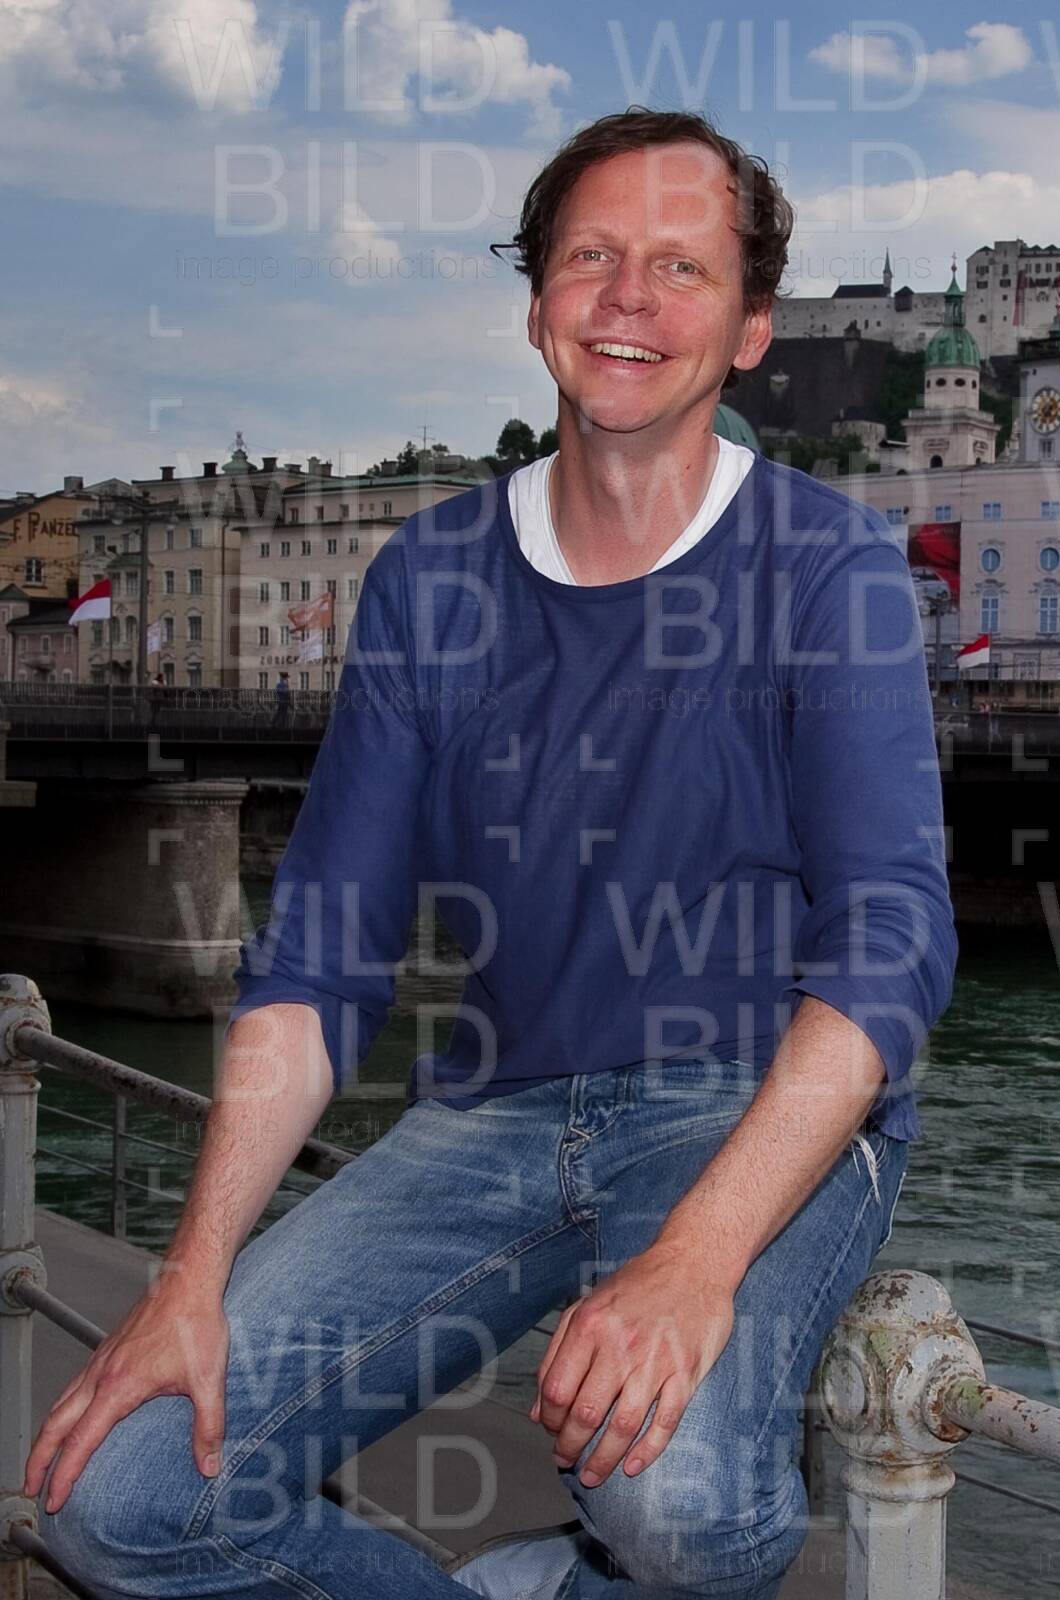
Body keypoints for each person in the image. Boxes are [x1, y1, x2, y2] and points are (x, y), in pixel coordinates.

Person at [23, 109, 958, 1599]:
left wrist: (695, 1259)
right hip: (497, 1110)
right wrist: (186, 1280)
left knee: (669, 1499)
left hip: (754, 1101)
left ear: (752, 328)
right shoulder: (431, 576)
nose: (629, 298)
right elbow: (319, 959)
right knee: (114, 1496)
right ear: (537, 306)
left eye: (682, 266)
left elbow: (890, 944)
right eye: (591, 258)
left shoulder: (829, 567)